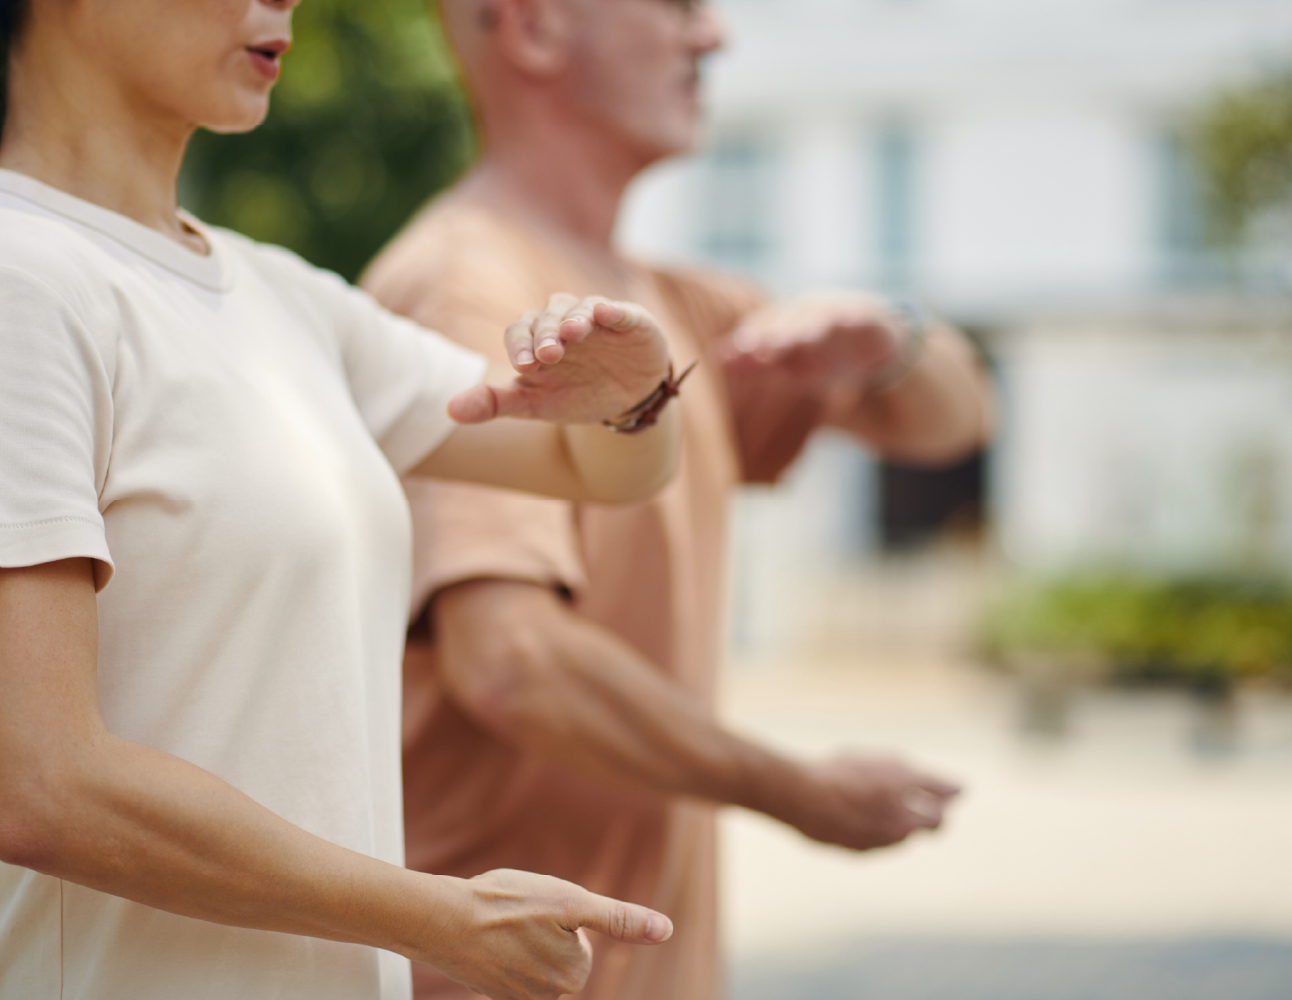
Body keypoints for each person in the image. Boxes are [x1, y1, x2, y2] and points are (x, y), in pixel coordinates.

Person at [0, 2, 690, 998]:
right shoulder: (24, 279)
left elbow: (596, 467)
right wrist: (437, 916)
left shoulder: (281, 295)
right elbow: (41, 782)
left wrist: (634, 395)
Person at [360, 1, 996, 997]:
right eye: (677, 6)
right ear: (532, 29)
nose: (713, 38)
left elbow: (949, 423)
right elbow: (512, 664)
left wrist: (890, 338)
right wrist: (802, 792)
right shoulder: (468, 289)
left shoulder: (670, 304)